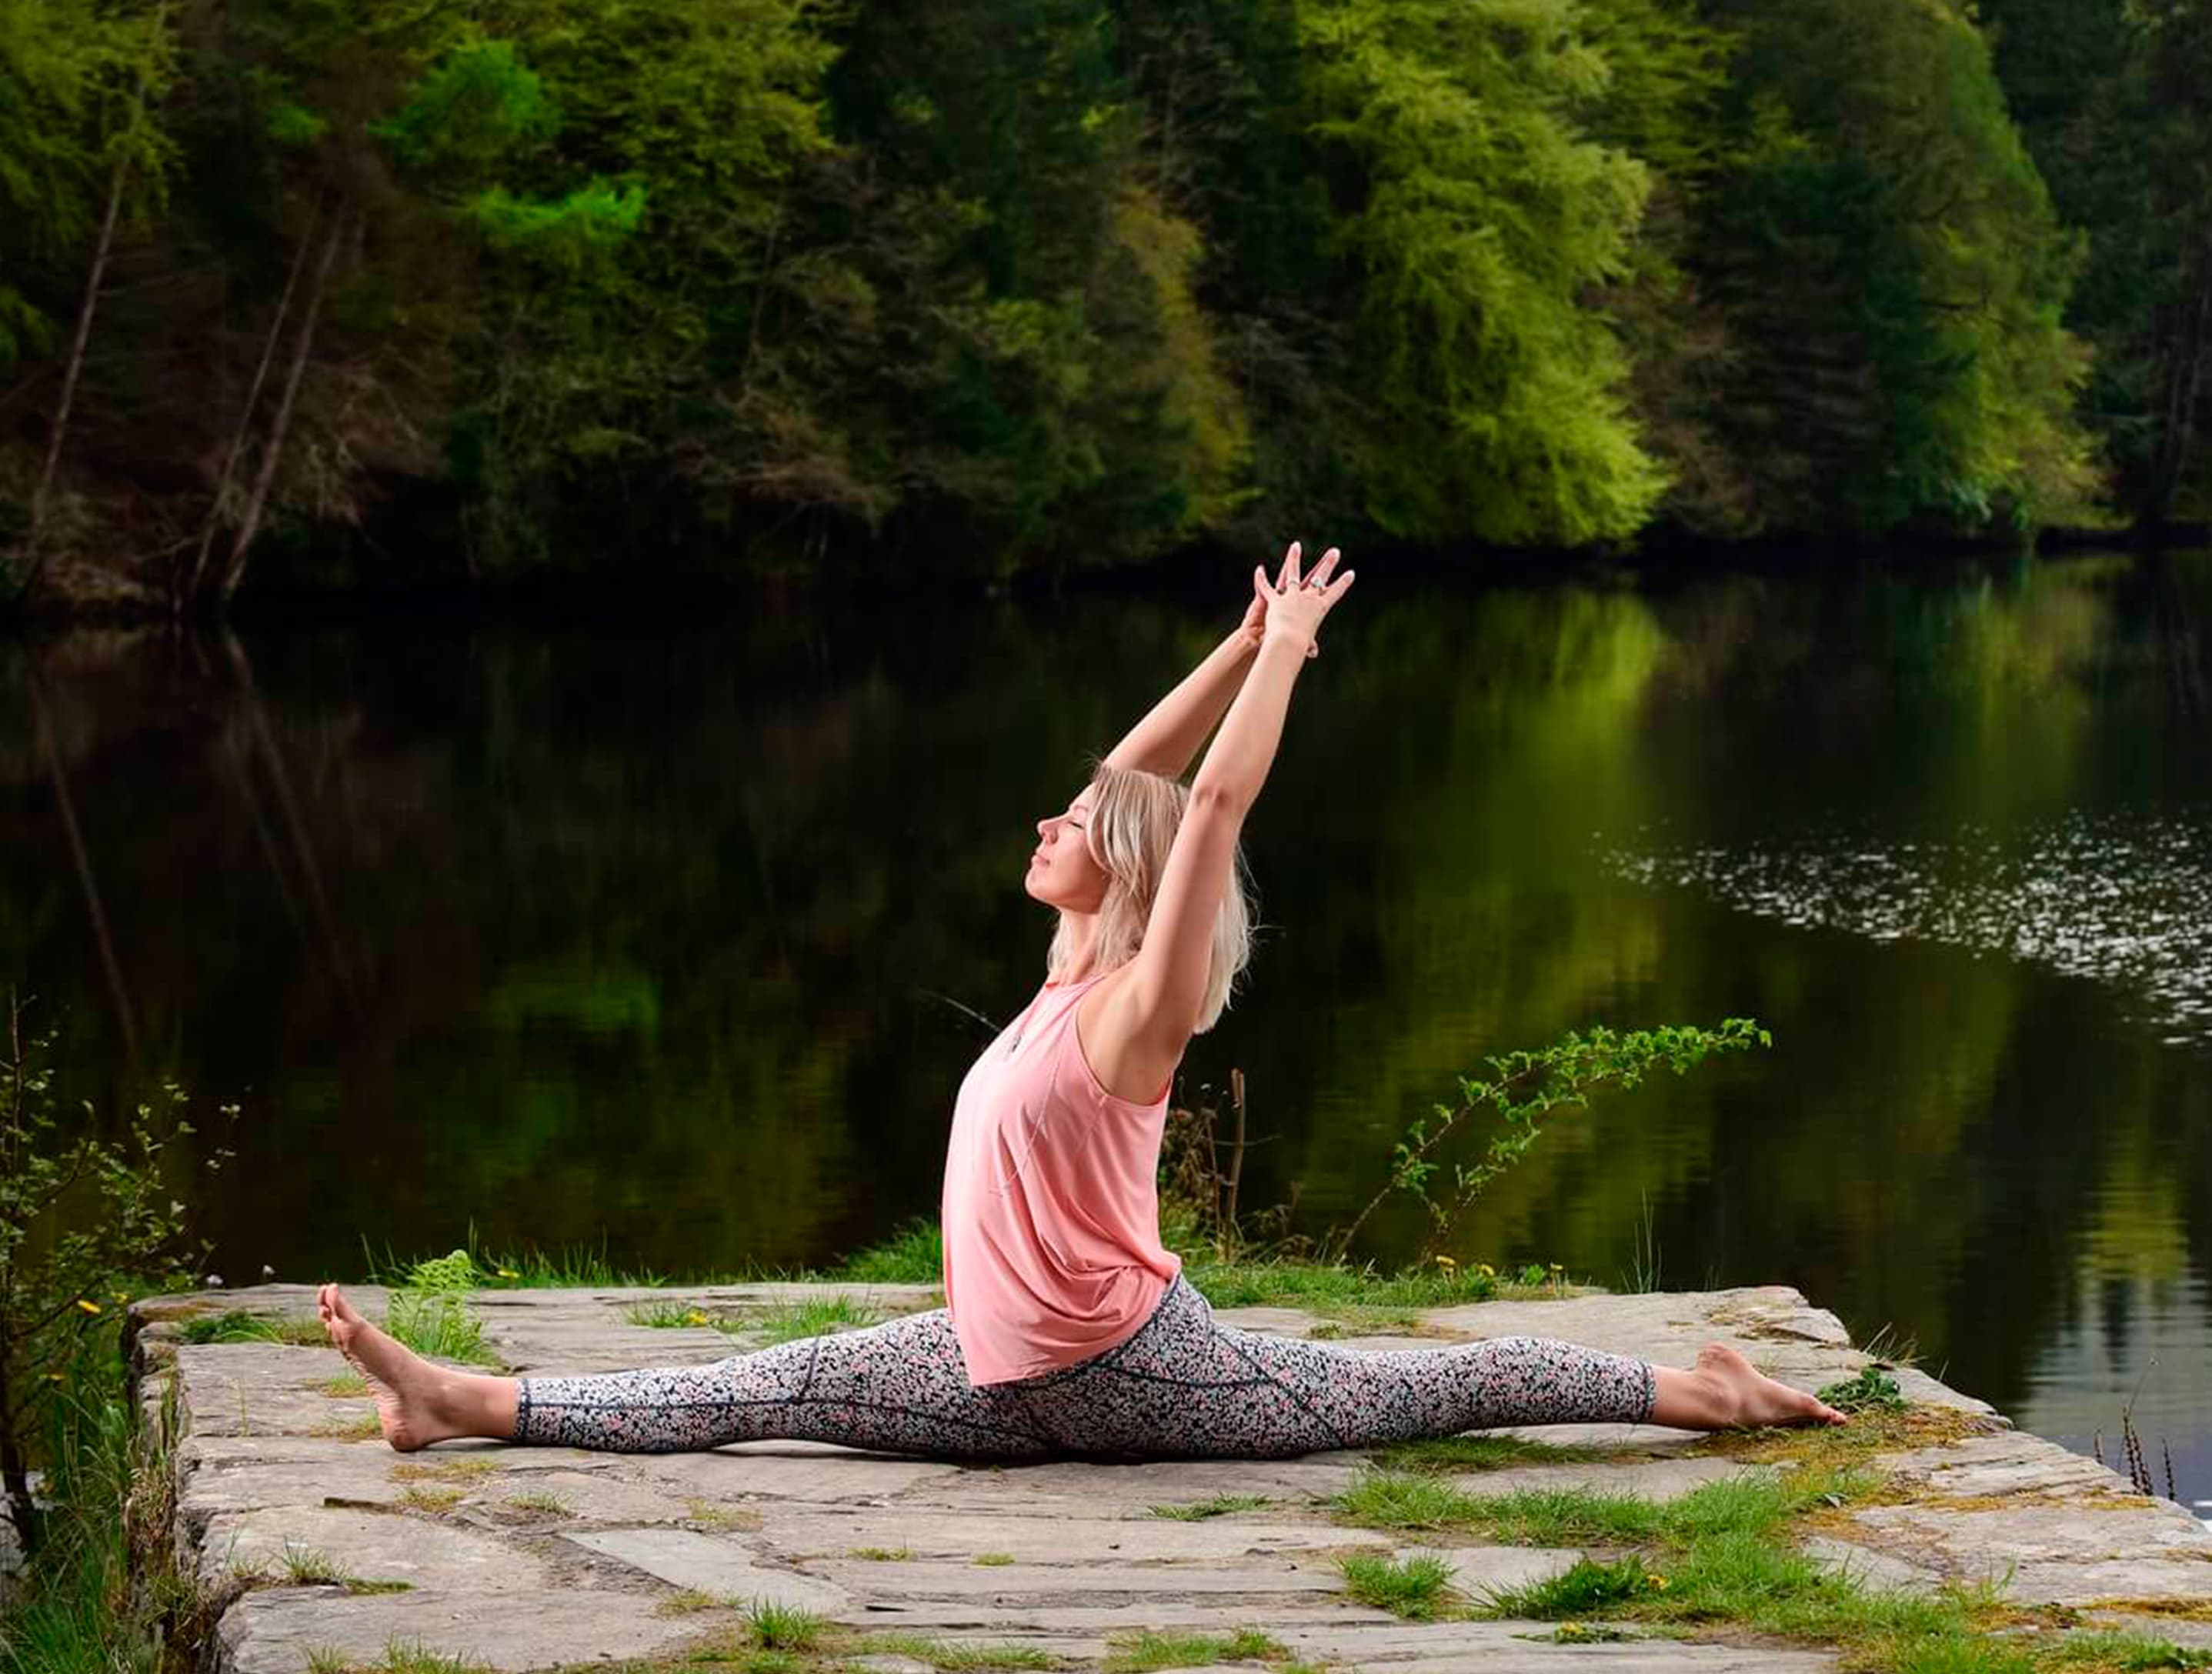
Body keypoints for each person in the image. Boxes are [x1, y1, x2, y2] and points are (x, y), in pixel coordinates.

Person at [317, 543, 1846, 1459]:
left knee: (1419, 1390)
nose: (1044, 825)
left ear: (1115, 872)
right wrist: (1236, 640)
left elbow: (1212, 804)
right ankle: (457, 1403)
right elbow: (1140, 777)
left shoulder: (1138, 1004)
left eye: (1069, 829)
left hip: (1137, 1375)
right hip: (1014, 1370)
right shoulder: (1068, 968)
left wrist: (1292, 659)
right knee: (751, 1385)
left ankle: (1700, 1395)